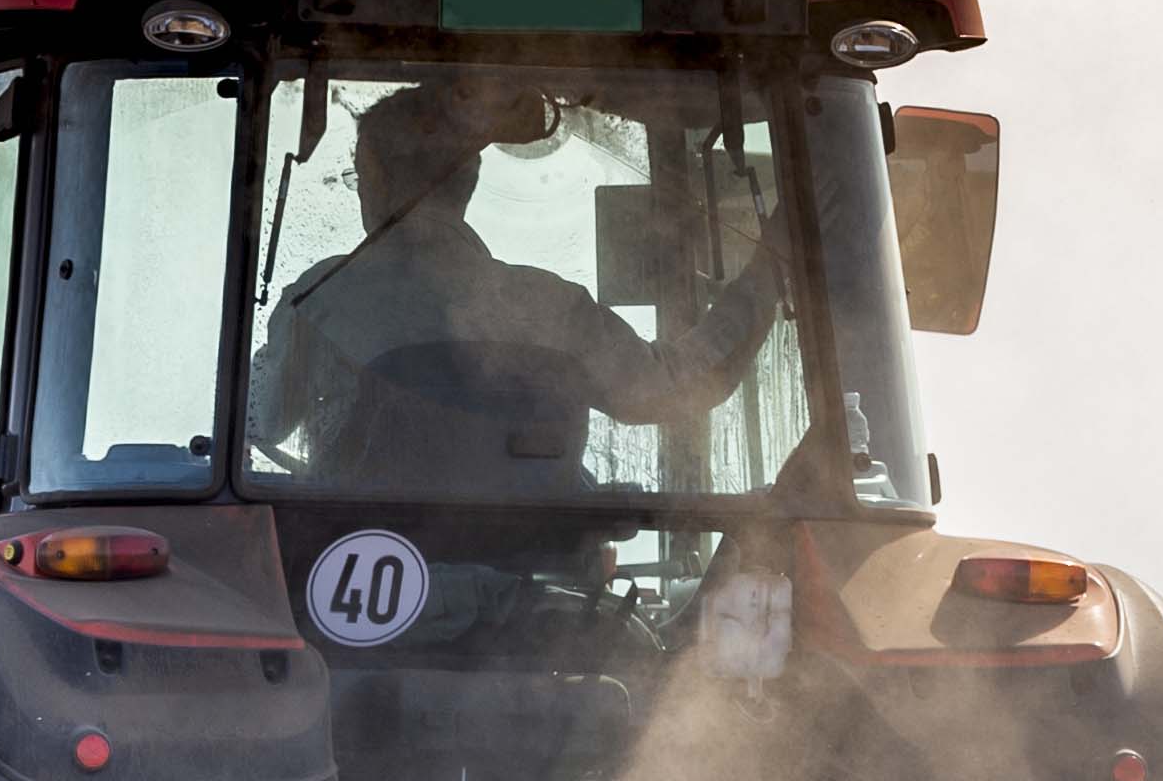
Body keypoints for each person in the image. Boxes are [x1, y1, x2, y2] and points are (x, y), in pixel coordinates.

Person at [253, 77, 784, 494]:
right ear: (471, 180)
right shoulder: (550, 309)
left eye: (358, 174)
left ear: (374, 179)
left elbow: (258, 422)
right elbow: (675, 386)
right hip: (538, 604)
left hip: (352, 598)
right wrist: (771, 267)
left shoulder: (321, 298)